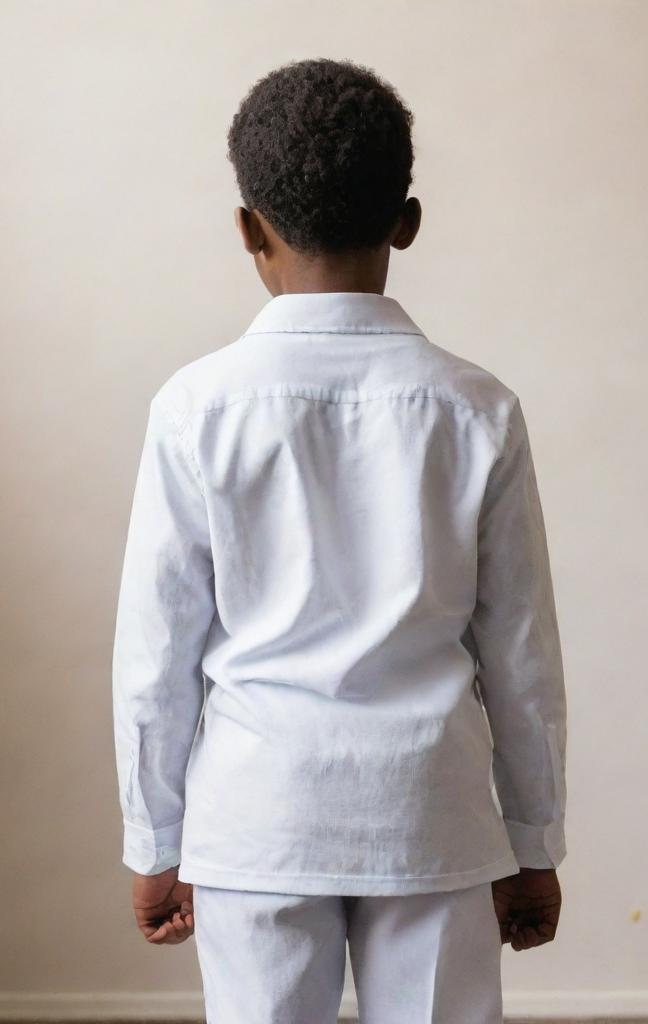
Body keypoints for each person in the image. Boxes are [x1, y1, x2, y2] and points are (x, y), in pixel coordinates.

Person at [111, 57, 568, 1023]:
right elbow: (521, 653)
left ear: (247, 229)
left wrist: (154, 840)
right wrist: (533, 842)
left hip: (256, 819)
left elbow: (158, 653)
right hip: (432, 817)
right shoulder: (477, 408)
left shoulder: (197, 408)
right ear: (406, 220)